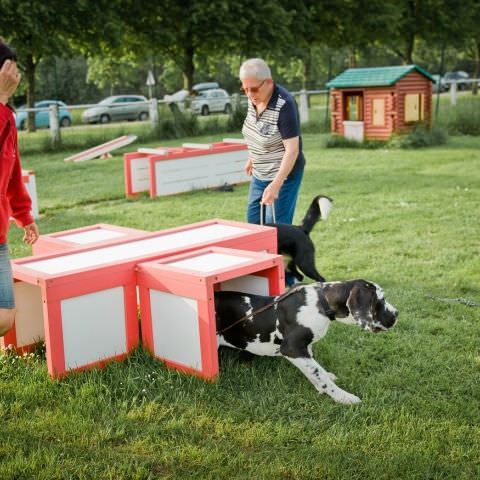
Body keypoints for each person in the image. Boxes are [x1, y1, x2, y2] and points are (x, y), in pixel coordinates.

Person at [0, 39, 39, 338]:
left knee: (4, 319)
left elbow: (12, 172)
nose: (14, 75)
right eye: (8, 67)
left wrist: (24, 216)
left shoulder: (8, 118)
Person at [240, 58, 305, 225]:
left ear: (268, 82)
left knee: (275, 227)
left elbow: (292, 150)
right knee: (253, 222)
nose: (249, 94)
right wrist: (253, 156)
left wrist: (276, 185)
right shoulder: (253, 98)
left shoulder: (284, 104)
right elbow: (255, 128)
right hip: (260, 174)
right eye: (244, 89)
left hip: (283, 175)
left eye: (253, 89)